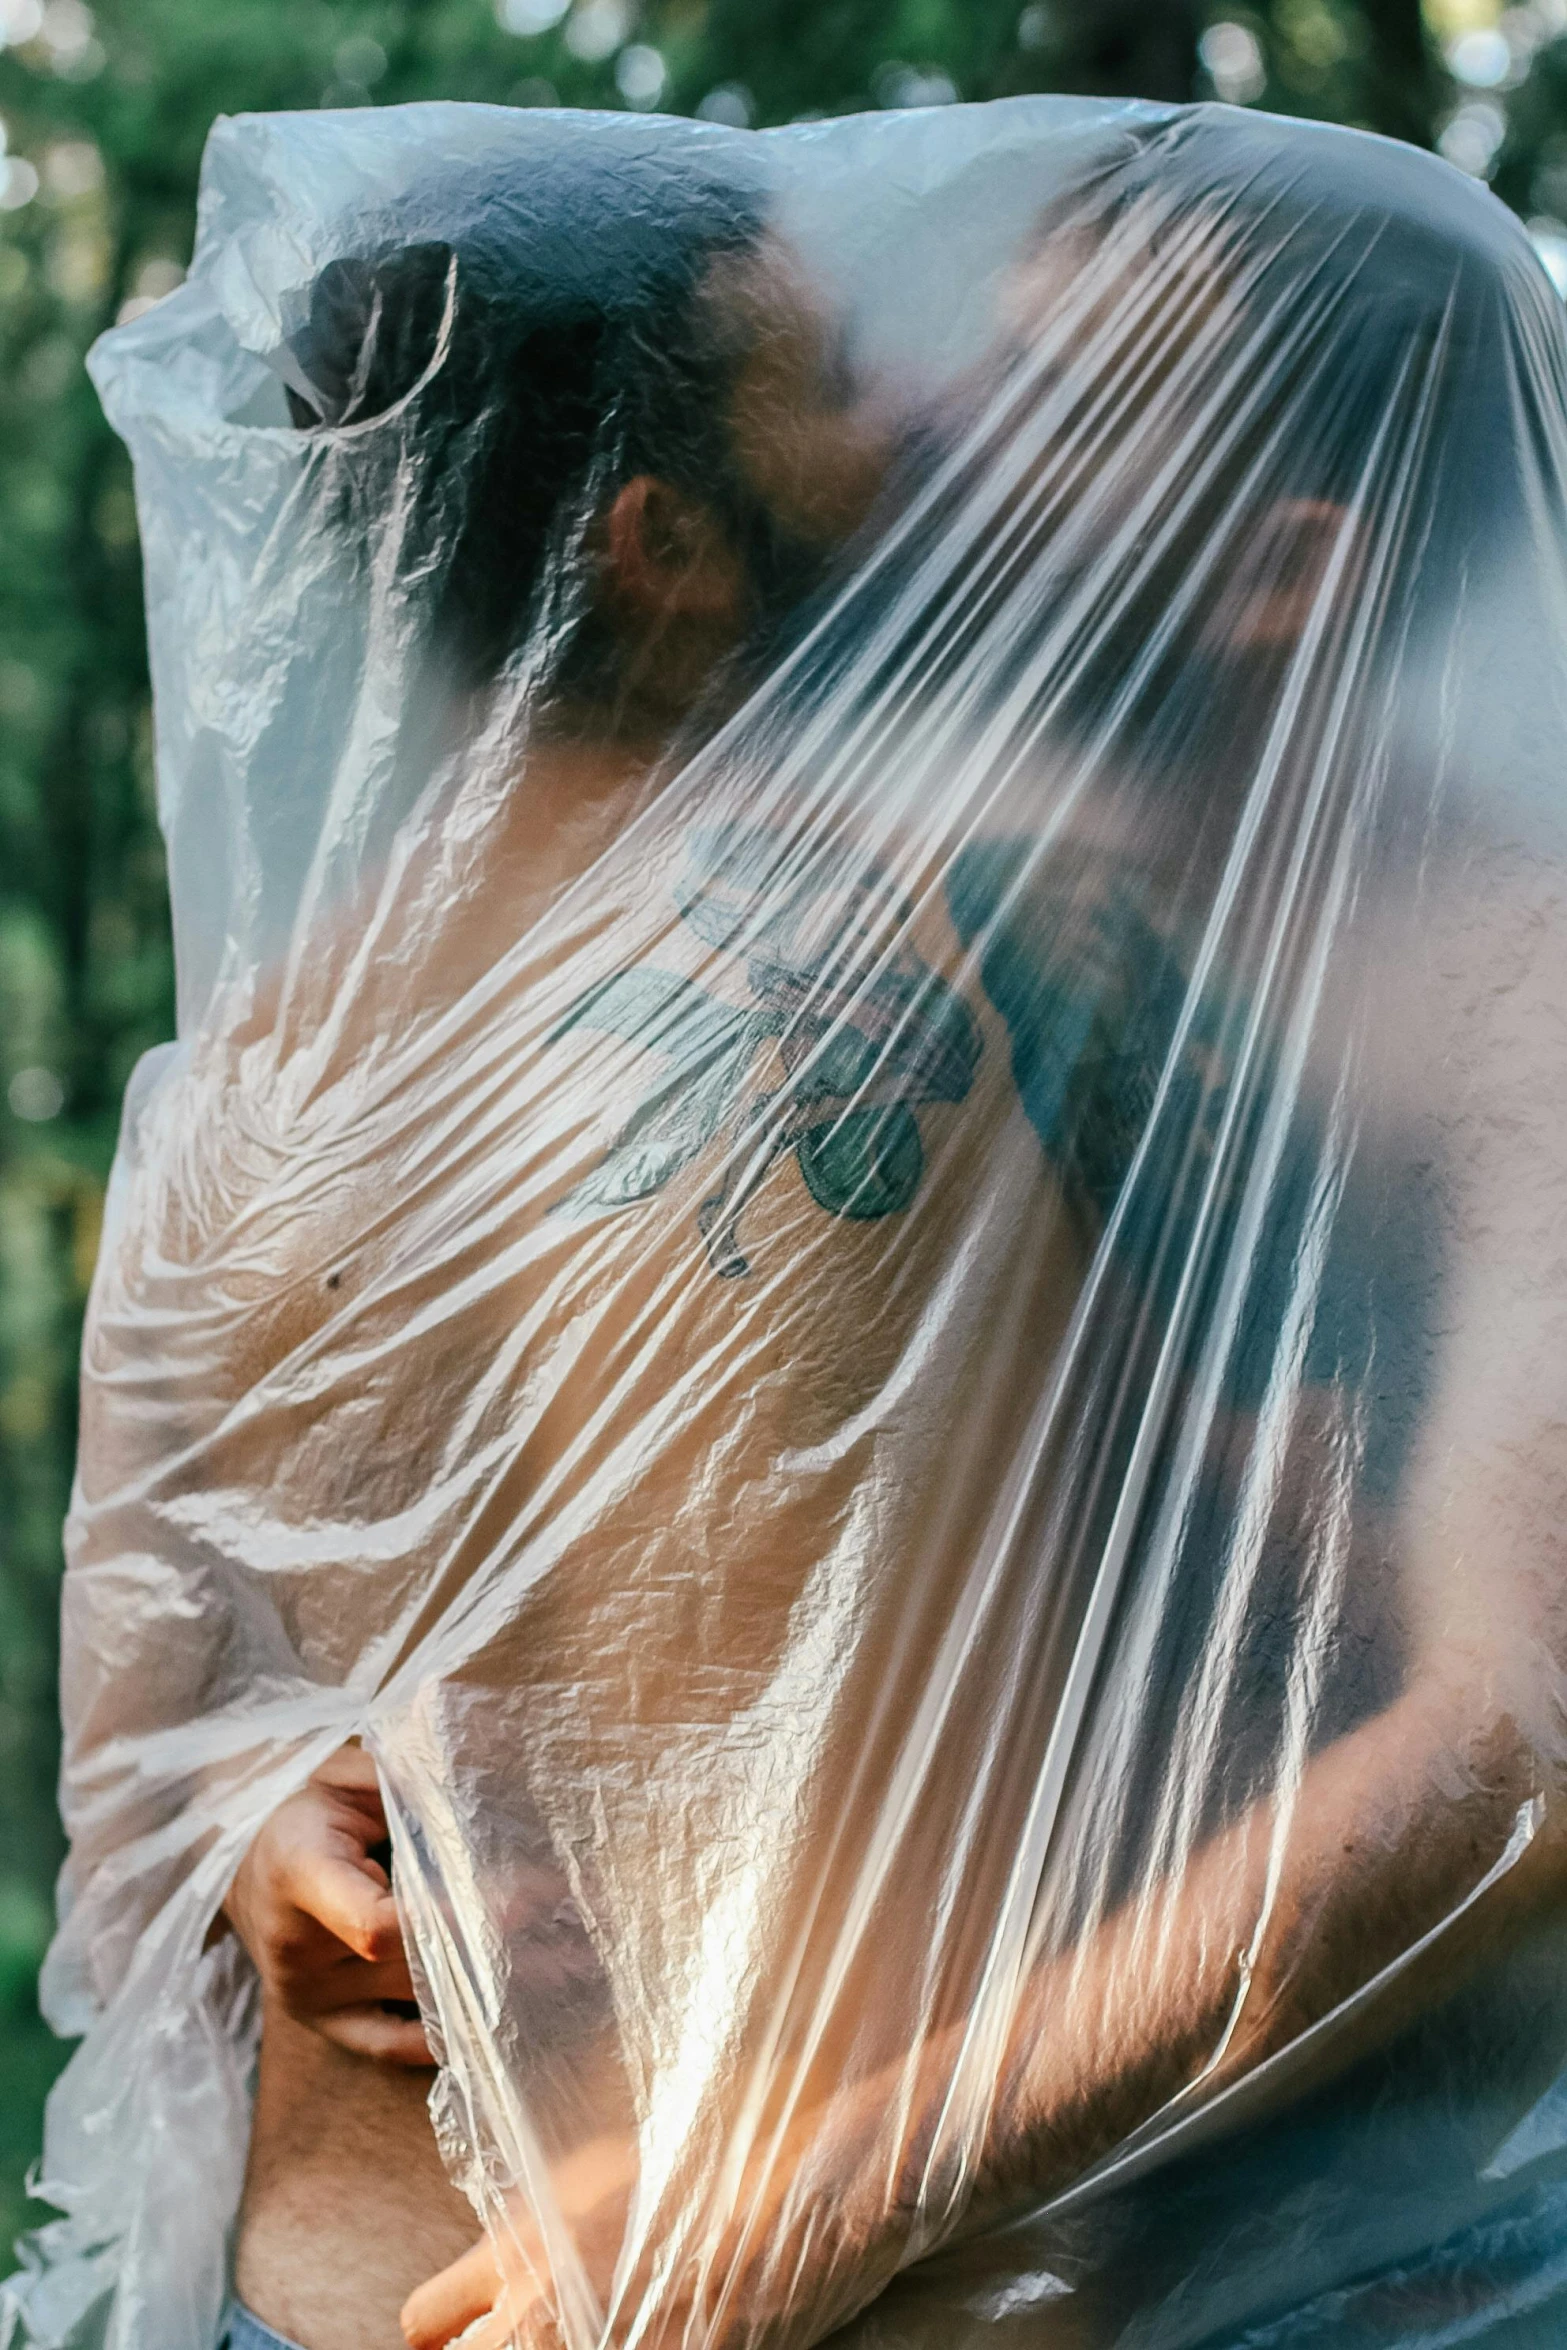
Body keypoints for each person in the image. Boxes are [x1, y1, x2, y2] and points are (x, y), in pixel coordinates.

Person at [47, 101, 1567, 2350]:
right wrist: (270, 1803)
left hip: (919, 2269)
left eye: (1038, 391)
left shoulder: (1434, 984)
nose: (939, 406)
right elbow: (186, 1675)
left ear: (1282, 563)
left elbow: (1491, 1735)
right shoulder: (946, 918)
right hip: (569, 2274)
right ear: (654, 546)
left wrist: (795, 2200)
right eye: (883, 370)